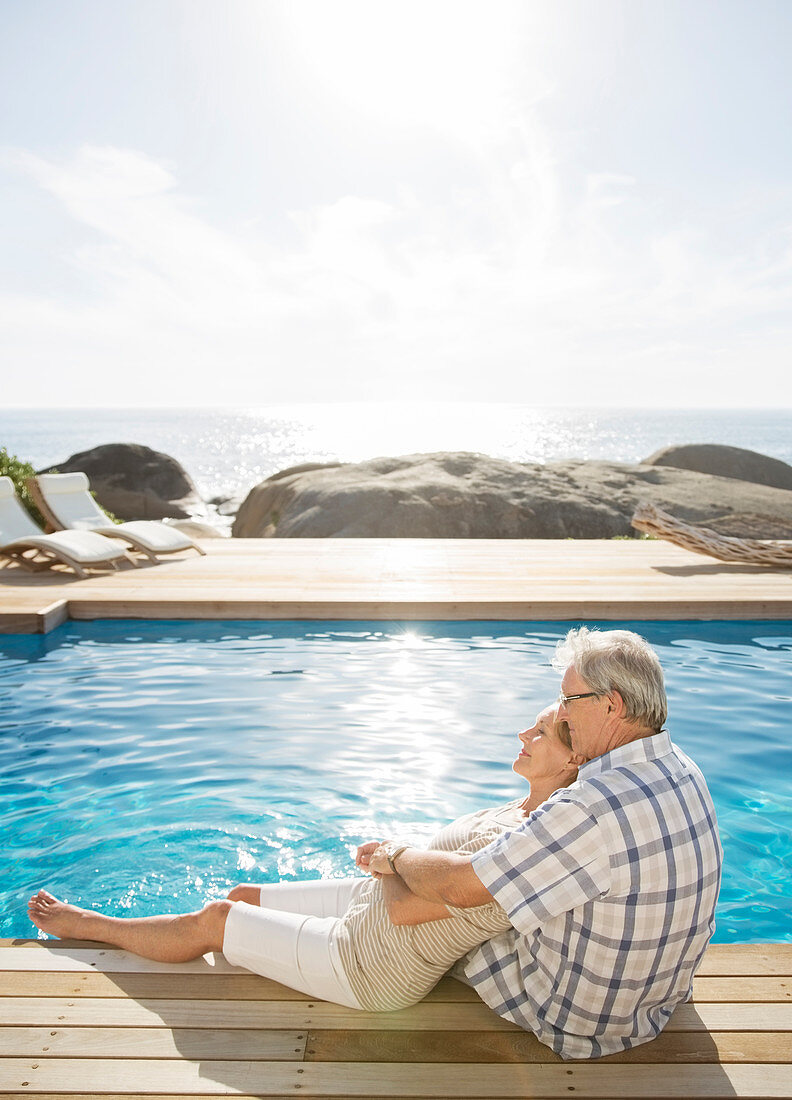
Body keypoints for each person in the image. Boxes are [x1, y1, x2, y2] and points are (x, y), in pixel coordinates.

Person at [28, 704, 583, 1013]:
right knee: (242, 898)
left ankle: (90, 925)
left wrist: (389, 860)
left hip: (372, 967)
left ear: (570, 760)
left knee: (217, 920)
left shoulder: (524, 852)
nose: (523, 733)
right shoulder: (528, 803)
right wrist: (389, 864)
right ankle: (245, 939)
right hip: (372, 908)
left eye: (540, 733)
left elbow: (406, 914)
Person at [367, 627, 724, 1060]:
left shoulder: (590, 806)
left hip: (578, 1021)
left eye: (569, 701)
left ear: (612, 705)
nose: (564, 717)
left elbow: (459, 887)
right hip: (654, 1002)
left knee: (456, 919)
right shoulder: (683, 768)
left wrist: (396, 855)